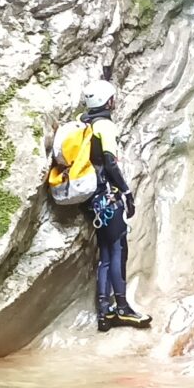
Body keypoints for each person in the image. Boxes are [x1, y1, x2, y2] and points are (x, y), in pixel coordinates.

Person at [46, 79, 149, 331]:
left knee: (105, 252)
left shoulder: (84, 122)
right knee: (118, 248)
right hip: (106, 195)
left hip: (91, 197)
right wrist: (126, 192)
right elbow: (111, 163)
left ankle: (104, 312)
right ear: (107, 101)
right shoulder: (105, 126)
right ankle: (122, 308)